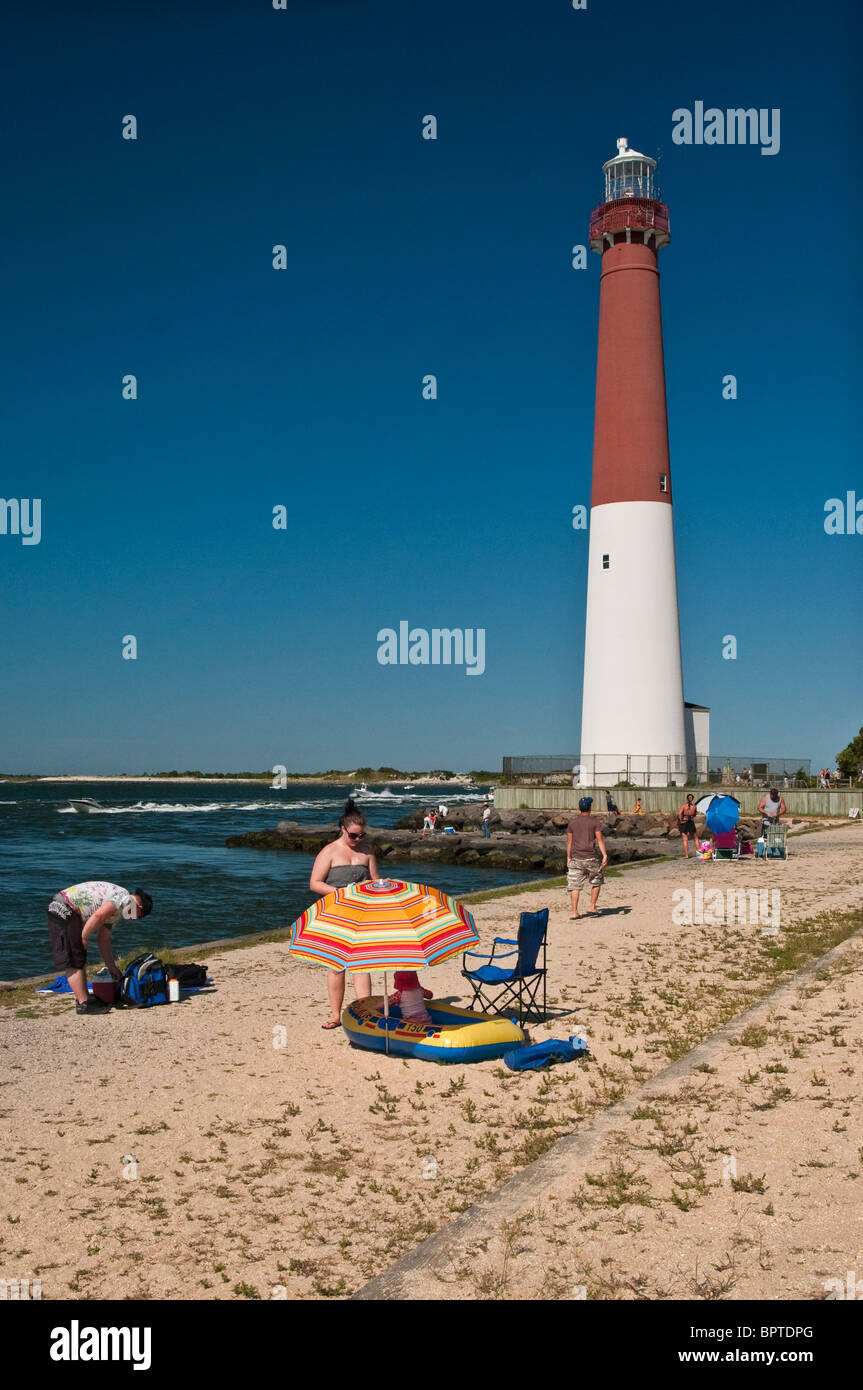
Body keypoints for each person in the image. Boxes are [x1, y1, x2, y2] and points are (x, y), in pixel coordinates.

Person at [310, 799, 376, 1029]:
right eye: (354, 836)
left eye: (361, 836)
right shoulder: (329, 851)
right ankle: (336, 1016)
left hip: (362, 913)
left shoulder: (367, 852)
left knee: (361, 965)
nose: (358, 840)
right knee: (336, 965)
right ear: (343, 829)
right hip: (336, 914)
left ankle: (365, 1013)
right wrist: (340, 892)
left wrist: (380, 887)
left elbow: (375, 881)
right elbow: (315, 883)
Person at [46, 882, 153, 1015]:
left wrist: (112, 967)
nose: (132, 920)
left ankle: (83, 998)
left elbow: (103, 940)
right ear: (139, 907)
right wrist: (84, 937)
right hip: (65, 907)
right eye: (138, 917)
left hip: (67, 907)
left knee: (79, 956)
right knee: (75, 956)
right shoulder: (124, 898)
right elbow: (98, 916)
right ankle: (83, 1004)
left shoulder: (118, 911)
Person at [566, 796, 608, 919]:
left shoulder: (572, 822)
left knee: (574, 885)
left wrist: (568, 857)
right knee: (596, 881)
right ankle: (592, 906)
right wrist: (604, 855)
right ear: (590, 807)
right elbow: (600, 840)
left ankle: (574, 912)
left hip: (576, 858)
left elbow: (569, 842)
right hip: (590, 857)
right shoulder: (594, 822)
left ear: (579, 808)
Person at [677, 794, 698, 859]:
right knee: (695, 838)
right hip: (691, 822)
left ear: (687, 799)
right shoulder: (694, 806)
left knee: (685, 839)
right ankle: (699, 854)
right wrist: (691, 817)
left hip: (684, 822)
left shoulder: (684, 806)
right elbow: (694, 815)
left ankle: (686, 855)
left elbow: (679, 813)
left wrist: (681, 820)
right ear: (692, 799)